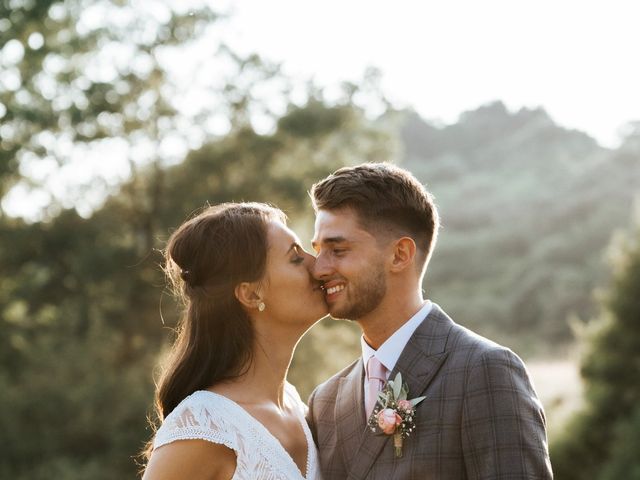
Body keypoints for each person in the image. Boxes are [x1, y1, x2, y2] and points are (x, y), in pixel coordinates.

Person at [307, 163, 553, 479]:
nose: (319, 269)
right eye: (318, 250)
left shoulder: (485, 371)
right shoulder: (325, 401)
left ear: (399, 254)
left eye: (337, 250)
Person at [142, 202, 326, 480]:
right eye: (296, 258)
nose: (319, 265)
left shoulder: (297, 407)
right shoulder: (204, 425)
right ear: (251, 295)